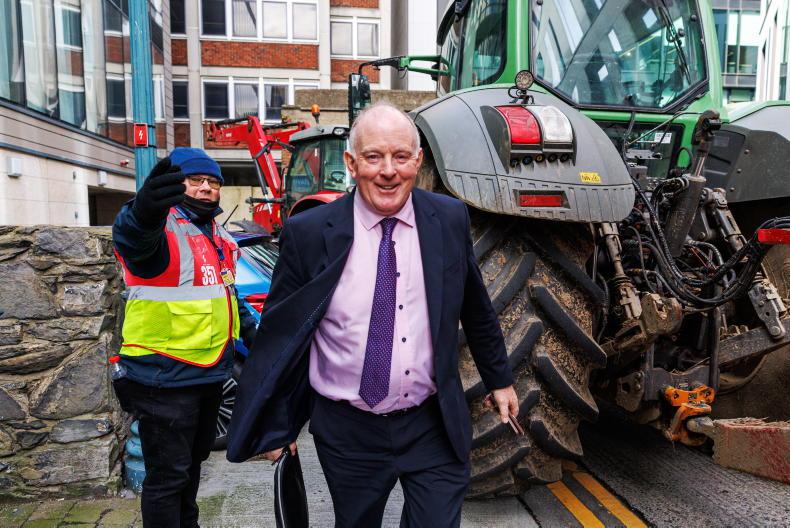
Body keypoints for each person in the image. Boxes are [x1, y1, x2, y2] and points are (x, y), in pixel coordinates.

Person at [227, 102, 519, 527]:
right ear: (351, 162)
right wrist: (277, 423)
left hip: (431, 421)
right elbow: (281, 335)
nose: (388, 170)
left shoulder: (449, 218)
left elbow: (475, 306)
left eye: (401, 157)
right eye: (373, 157)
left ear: (418, 161)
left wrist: (500, 379)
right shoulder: (309, 233)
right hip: (348, 431)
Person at [112, 147, 256, 528]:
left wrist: (257, 336)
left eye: (213, 182)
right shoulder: (162, 227)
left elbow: (227, 295)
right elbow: (134, 238)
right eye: (196, 181)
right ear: (178, 185)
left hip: (207, 376)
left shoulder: (217, 235)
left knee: (192, 472)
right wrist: (144, 210)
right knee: (167, 480)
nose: (207, 189)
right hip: (163, 379)